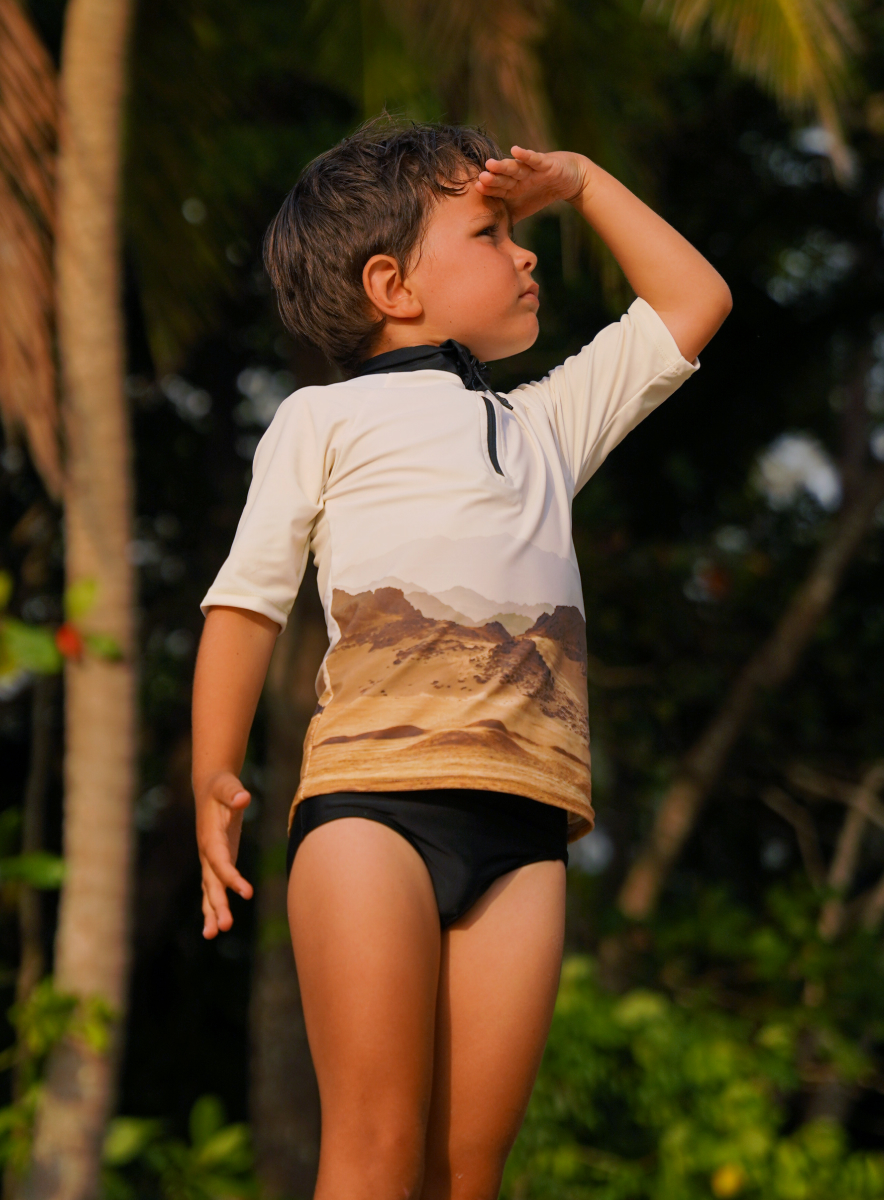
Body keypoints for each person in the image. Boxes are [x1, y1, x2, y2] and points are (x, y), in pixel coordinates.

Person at [192, 118, 731, 1200]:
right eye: (492, 231)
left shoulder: (540, 428)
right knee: (376, 1152)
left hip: (525, 831)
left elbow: (693, 303)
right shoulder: (320, 419)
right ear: (390, 283)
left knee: (466, 1170)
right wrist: (211, 770)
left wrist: (581, 181)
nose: (526, 251)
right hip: (368, 814)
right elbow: (246, 601)